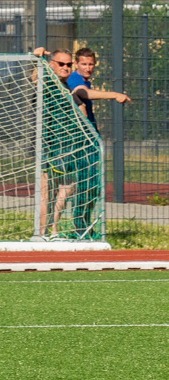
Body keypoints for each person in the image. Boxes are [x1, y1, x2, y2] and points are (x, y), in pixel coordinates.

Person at [66, 48, 131, 238]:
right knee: (82, 185)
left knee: (93, 185)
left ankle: (85, 226)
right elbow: (82, 93)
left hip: (91, 137)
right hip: (80, 140)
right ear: (76, 64)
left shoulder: (86, 79)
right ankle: (78, 228)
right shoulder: (75, 80)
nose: (88, 68)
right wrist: (114, 95)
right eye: (84, 64)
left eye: (91, 64)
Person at [32, 47, 77, 238]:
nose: (65, 68)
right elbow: (35, 78)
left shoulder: (67, 87)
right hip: (50, 146)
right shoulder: (49, 81)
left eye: (69, 64)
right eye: (61, 64)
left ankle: (53, 229)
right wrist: (38, 58)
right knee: (47, 191)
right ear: (52, 65)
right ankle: (42, 232)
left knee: (67, 187)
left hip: (67, 146)